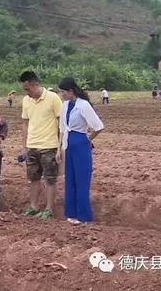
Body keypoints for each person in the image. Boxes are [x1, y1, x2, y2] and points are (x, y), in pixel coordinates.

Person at [57, 77, 104, 225]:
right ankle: (71, 213)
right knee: (70, 179)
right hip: (68, 144)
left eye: (63, 92)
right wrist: (59, 149)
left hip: (80, 143)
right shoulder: (65, 105)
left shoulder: (83, 105)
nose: (62, 94)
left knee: (81, 180)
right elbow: (62, 129)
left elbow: (98, 126)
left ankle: (84, 216)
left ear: (71, 91)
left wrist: (88, 140)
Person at [19, 71, 63, 220]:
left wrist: (59, 147)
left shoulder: (53, 98)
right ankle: (33, 206)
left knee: (50, 178)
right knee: (33, 178)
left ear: (35, 84)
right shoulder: (26, 101)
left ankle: (49, 208)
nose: (26, 92)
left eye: (27, 89)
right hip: (32, 146)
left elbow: (61, 123)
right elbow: (25, 123)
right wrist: (24, 146)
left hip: (49, 146)